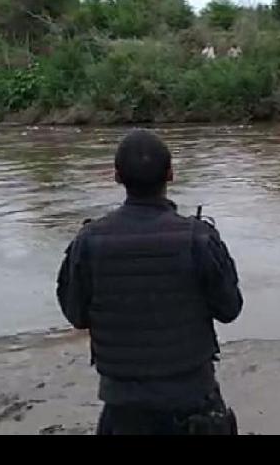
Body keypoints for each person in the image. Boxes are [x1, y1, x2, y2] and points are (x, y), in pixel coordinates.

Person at [56, 129, 243, 435]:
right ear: (170, 174)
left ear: (117, 177)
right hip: (193, 399)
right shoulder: (199, 238)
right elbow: (230, 309)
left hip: (123, 407)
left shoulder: (89, 242)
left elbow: (76, 315)